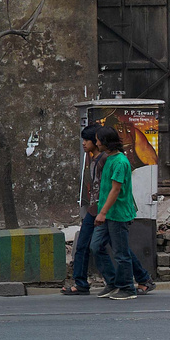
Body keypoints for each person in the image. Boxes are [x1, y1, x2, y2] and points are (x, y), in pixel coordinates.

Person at [90, 126, 141, 299]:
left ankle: (127, 287)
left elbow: (115, 190)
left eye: (98, 140)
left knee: (121, 253)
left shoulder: (120, 162)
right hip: (107, 213)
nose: (96, 143)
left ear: (105, 142)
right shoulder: (110, 159)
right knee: (96, 247)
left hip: (117, 214)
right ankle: (112, 282)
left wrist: (102, 212)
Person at [64, 126, 106, 295]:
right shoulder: (93, 159)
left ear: (96, 141)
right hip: (94, 209)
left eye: (86, 140)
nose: (84, 144)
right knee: (82, 245)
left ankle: (142, 278)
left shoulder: (104, 160)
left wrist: (102, 210)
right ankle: (80, 282)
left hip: (103, 209)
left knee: (118, 247)